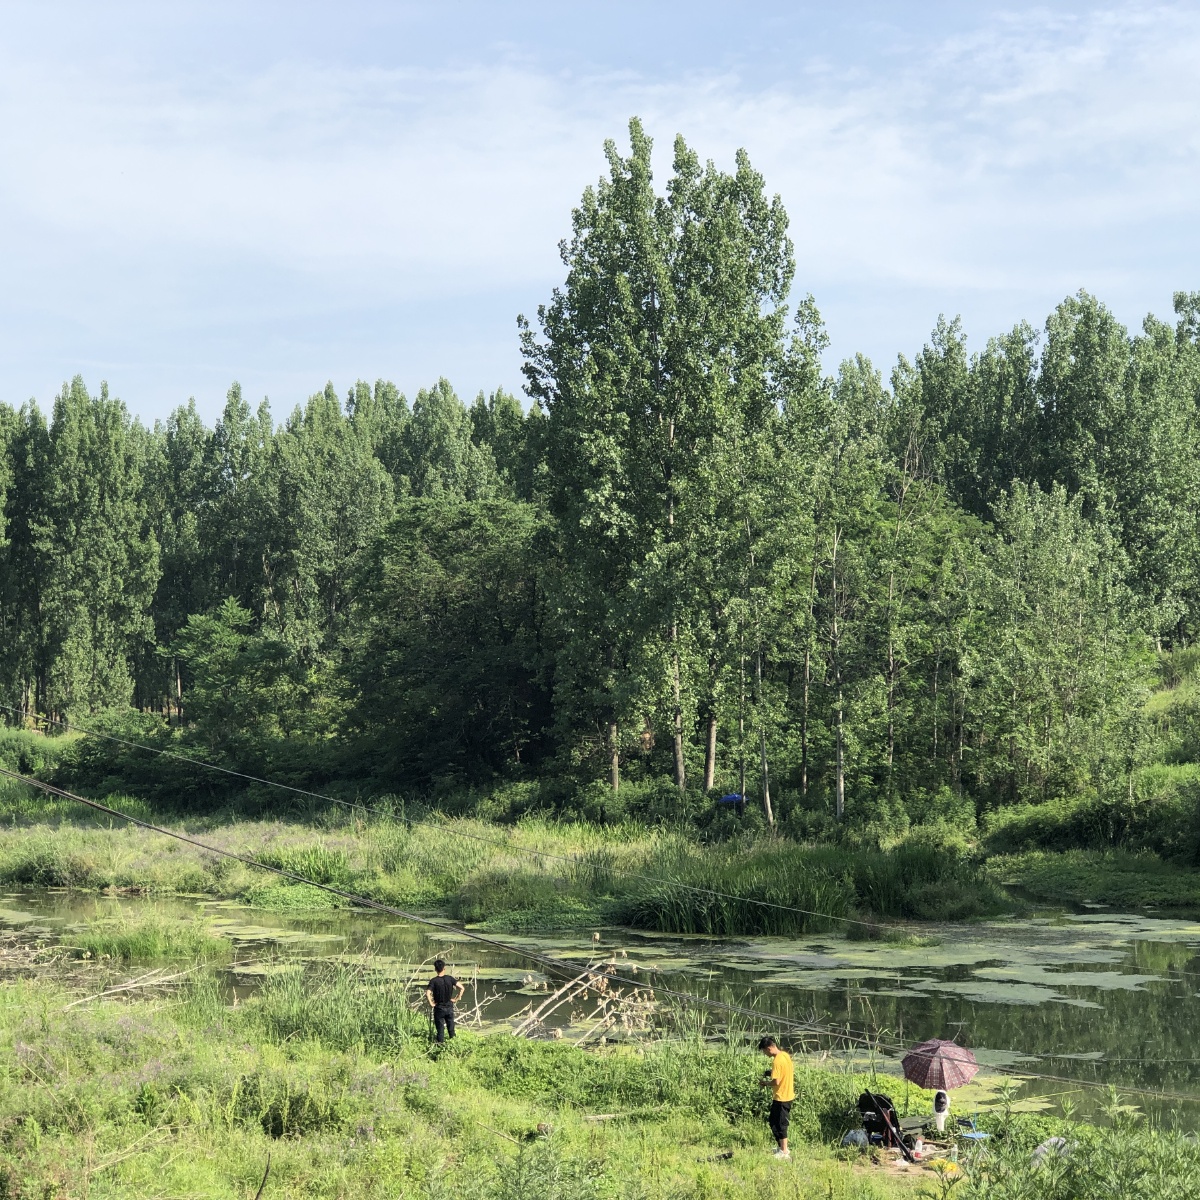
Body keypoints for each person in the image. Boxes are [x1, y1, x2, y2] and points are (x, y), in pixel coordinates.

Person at [758, 1035, 795, 1159]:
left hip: (782, 1097)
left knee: (781, 1124)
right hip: (787, 1094)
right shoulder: (784, 1055)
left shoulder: (776, 1061)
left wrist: (765, 1083)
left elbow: (776, 1082)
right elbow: (784, 1071)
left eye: (764, 1051)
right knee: (773, 1121)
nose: (764, 1054)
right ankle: (780, 1147)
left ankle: (784, 1151)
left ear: (768, 1048)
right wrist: (770, 1073)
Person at [426, 958, 464, 1044]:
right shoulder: (450, 979)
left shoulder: (434, 981)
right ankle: (454, 1046)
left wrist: (431, 1003)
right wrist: (456, 999)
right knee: (451, 1029)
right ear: (444, 968)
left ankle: (440, 1047)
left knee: (440, 1030)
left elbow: (427, 993)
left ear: (435, 969)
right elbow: (462, 988)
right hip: (449, 1006)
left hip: (439, 1008)